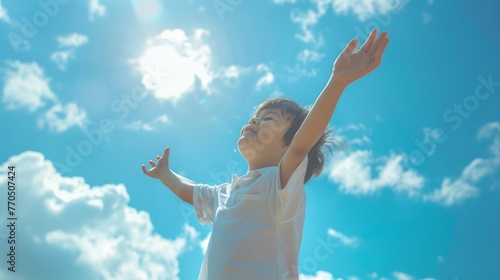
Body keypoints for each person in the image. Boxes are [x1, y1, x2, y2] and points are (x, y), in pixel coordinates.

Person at [142, 28, 390, 280]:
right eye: (254, 117)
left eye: (268, 118)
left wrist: (337, 81)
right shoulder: (225, 193)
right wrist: (165, 174)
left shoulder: (278, 185)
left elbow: (302, 145)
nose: (253, 121)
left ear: (288, 143)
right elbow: (190, 191)